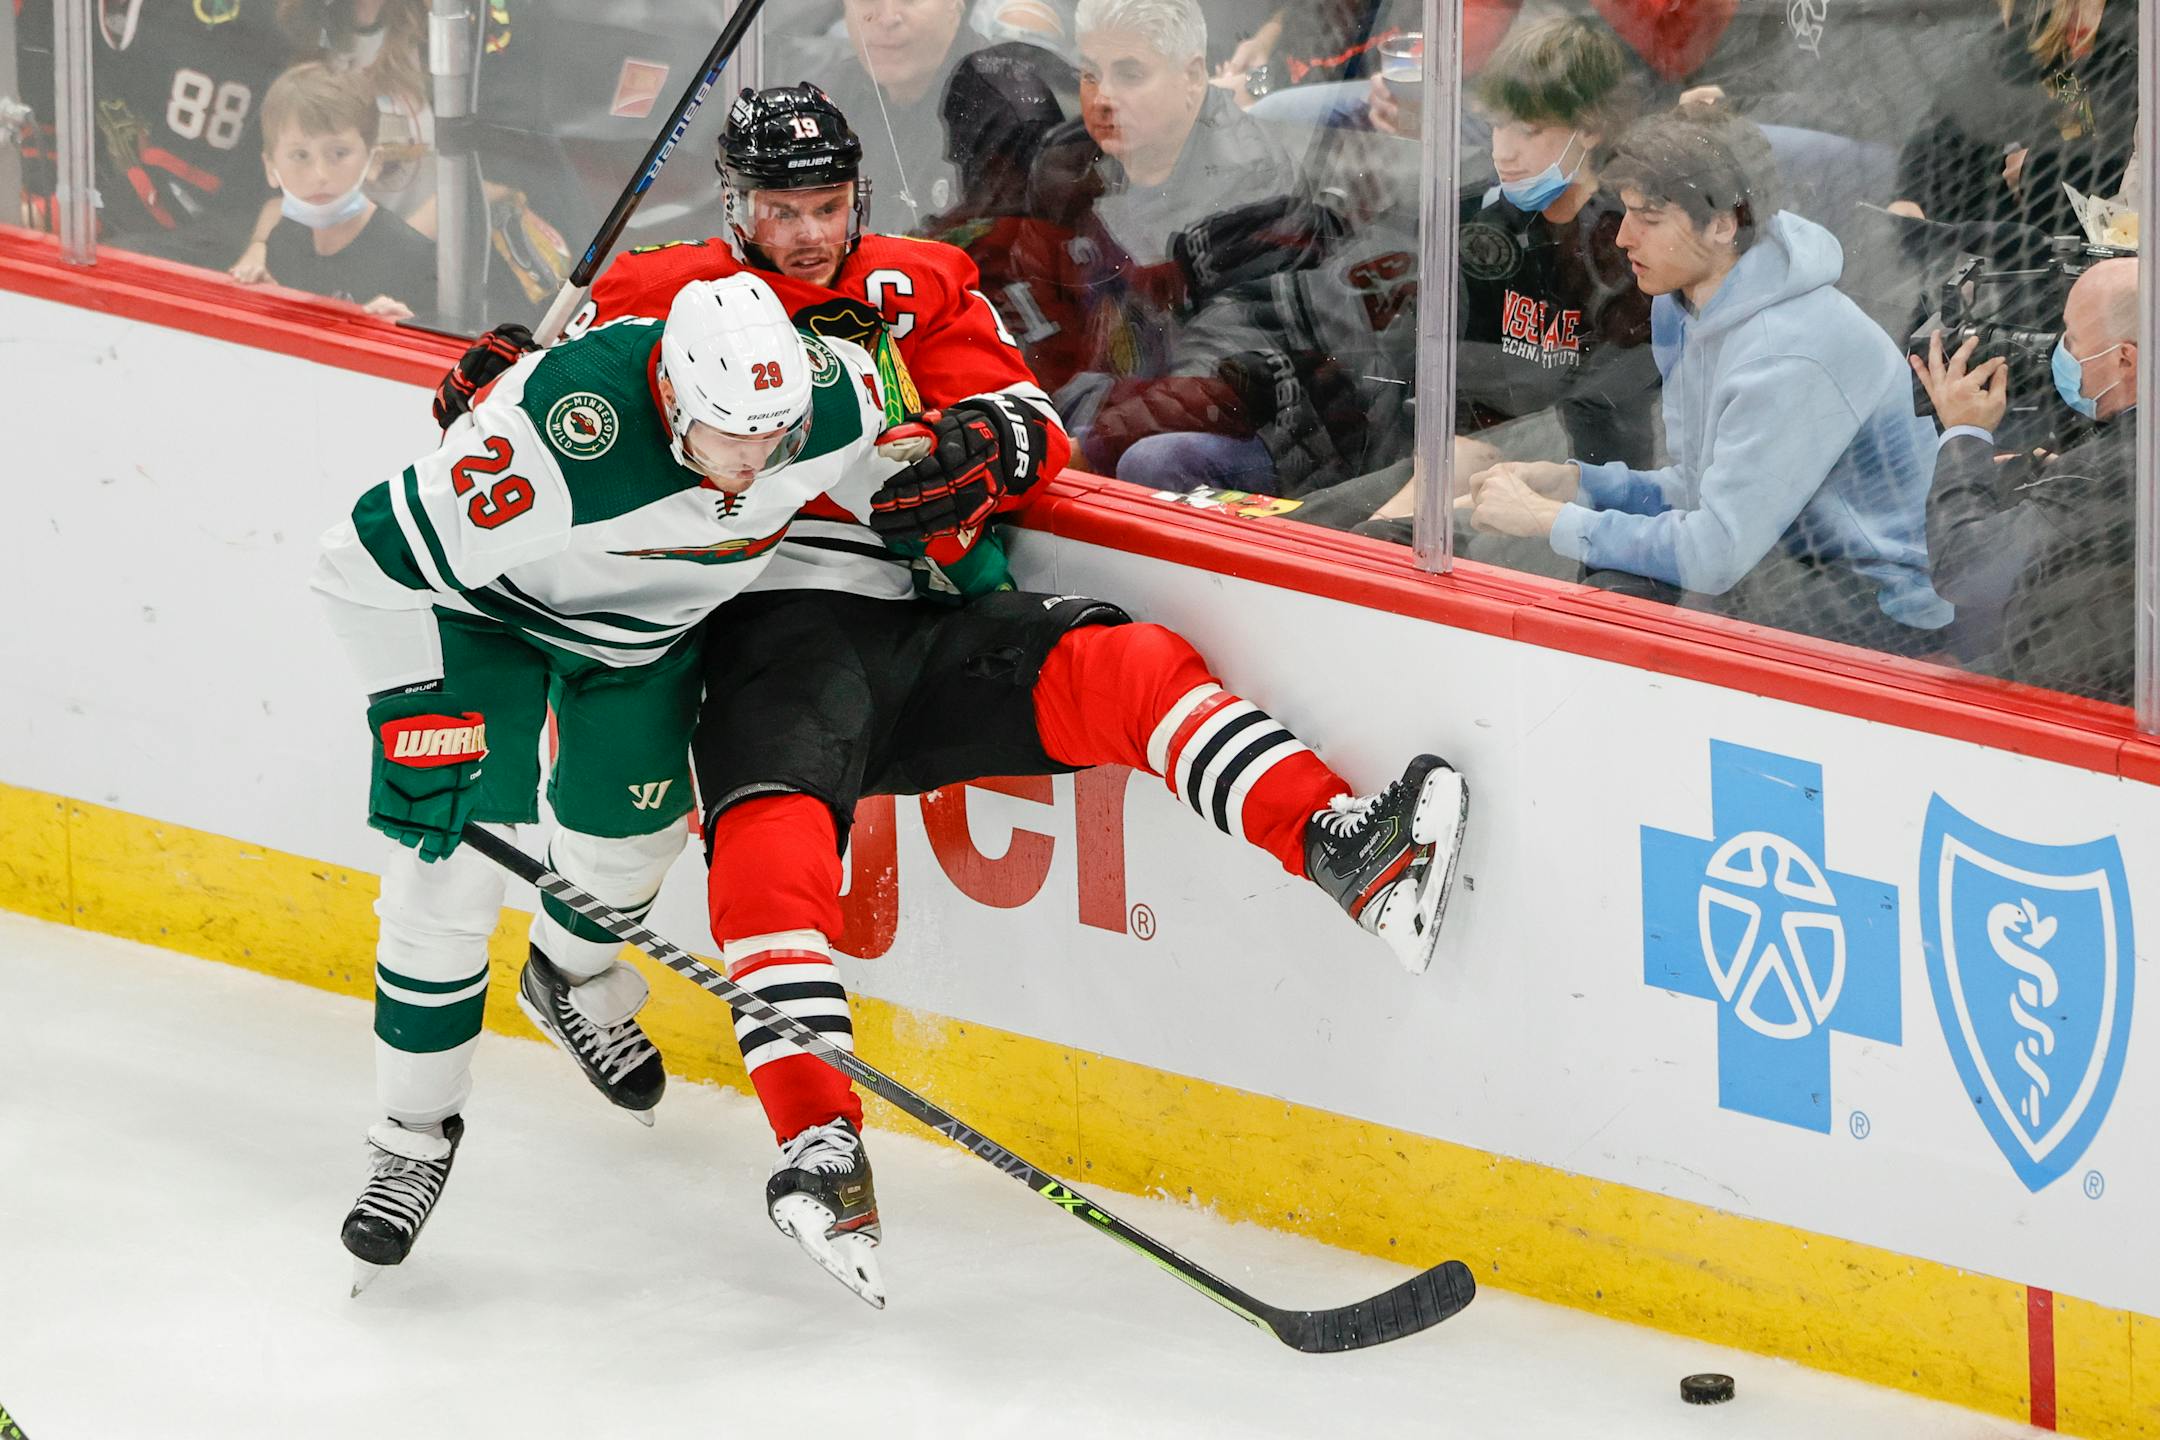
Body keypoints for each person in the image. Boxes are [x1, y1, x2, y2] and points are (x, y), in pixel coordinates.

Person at [313, 273, 908, 1288]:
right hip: (486, 620)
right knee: (445, 877)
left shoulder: (838, 396)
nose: (758, 462)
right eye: (730, 436)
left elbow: (911, 459)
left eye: (776, 434)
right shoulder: (559, 444)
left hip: (641, 644)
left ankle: (570, 980)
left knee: (629, 849)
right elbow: (350, 562)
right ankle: (410, 1138)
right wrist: (407, 711)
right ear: (672, 400)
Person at [1467, 105, 1953, 655]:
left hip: (1869, 607)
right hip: (1779, 561)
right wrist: (1582, 486)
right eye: (1624, 213)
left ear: (1724, 223)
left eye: (1647, 218)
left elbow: (1714, 551)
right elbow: (1705, 490)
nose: (1623, 238)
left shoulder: (1786, 354)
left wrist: (1549, 519)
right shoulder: (1691, 302)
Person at [1913, 256, 2139, 701]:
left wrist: (1965, 433)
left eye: (2071, 339)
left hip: (2079, 700)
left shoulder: (2110, 468)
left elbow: (1966, 569)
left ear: (2124, 359)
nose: (2060, 351)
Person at [238, 63, 434, 319]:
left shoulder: (414, 258)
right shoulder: (281, 242)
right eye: (300, 155)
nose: (320, 174)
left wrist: (404, 332)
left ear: (373, 162)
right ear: (271, 168)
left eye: (339, 153)